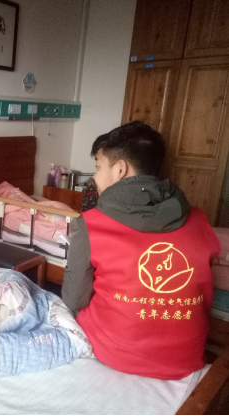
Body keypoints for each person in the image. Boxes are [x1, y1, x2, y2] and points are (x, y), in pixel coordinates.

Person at [61, 121, 220, 380]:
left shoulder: (91, 224)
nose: (94, 178)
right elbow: (204, 298)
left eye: (98, 167)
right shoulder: (200, 221)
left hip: (113, 353)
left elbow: (73, 300)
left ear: (120, 169)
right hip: (187, 357)